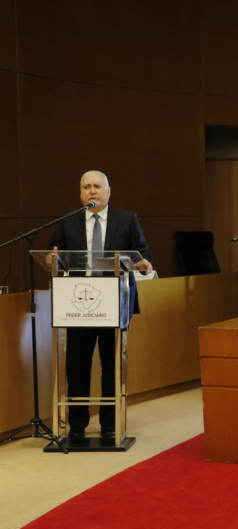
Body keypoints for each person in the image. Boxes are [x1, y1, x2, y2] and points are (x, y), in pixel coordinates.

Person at [48, 171, 153, 440]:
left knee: (112, 365)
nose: (92, 191)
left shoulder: (126, 219)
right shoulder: (68, 219)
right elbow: (53, 252)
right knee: (76, 366)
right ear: (80, 193)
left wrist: (143, 263)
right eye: (86, 187)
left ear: (108, 191)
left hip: (115, 301)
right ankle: (77, 424)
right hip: (77, 304)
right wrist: (51, 258)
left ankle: (109, 424)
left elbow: (143, 252)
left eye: (97, 186)